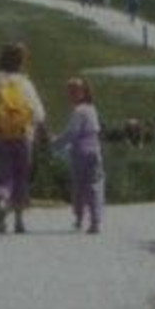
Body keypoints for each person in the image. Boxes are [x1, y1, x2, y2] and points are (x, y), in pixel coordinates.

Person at [0, 42, 47, 234]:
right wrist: (35, 128)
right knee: (21, 177)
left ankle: (2, 198)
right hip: (23, 137)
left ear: (0, 59)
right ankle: (19, 221)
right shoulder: (25, 83)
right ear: (21, 62)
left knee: (2, 176)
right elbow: (39, 114)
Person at [49, 77, 105, 234]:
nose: (71, 94)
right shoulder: (92, 109)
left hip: (80, 152)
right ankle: (95, 221)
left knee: (79, 186)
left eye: (74, 91)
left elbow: (72, 133)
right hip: (95, 150)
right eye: (70, 91)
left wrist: (55, 143)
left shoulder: (78, 111)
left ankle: (79, 218)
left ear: (83, 92)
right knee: (94, 185)